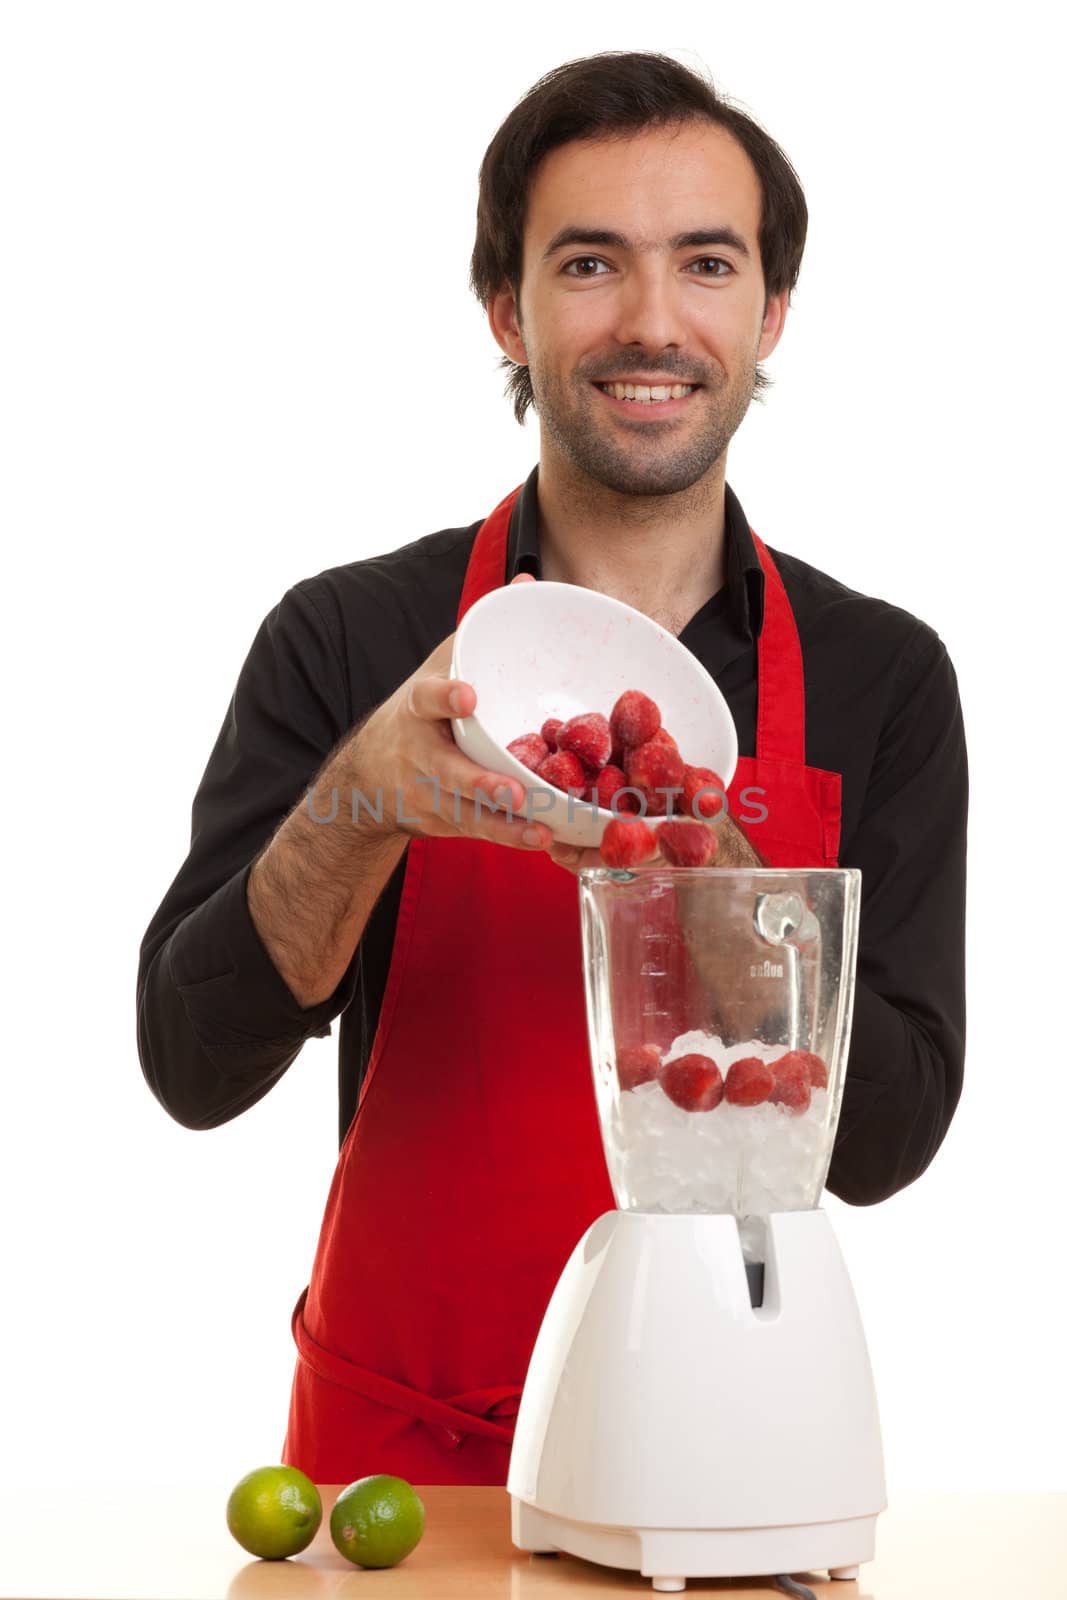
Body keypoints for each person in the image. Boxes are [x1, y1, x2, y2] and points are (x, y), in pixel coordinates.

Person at [136, 50, 967, 1486]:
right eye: (589, 264)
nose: (652, 322)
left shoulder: (881, 675)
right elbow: (191, 1066)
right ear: (505, 308)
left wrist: (724, 883)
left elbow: (884, 1143)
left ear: (769, 310)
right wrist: (364, 801)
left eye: (706, 264)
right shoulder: (353, 635)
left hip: (730, 1458)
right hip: (400, 1460)